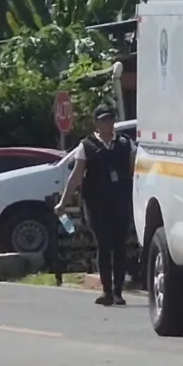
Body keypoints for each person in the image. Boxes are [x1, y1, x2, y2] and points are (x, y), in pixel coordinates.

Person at [54, 105, 136, 306]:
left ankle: (118, 292)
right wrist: (63, 202)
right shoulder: (87, 145)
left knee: (119, 246)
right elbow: (76, 176)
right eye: (103, 120)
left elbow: (135, 172)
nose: (108, 124)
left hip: (120, 200)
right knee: (104, 244)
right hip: (95, 203)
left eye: (110, 120)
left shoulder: (126, 144)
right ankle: (107, 291)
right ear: (96, 124)